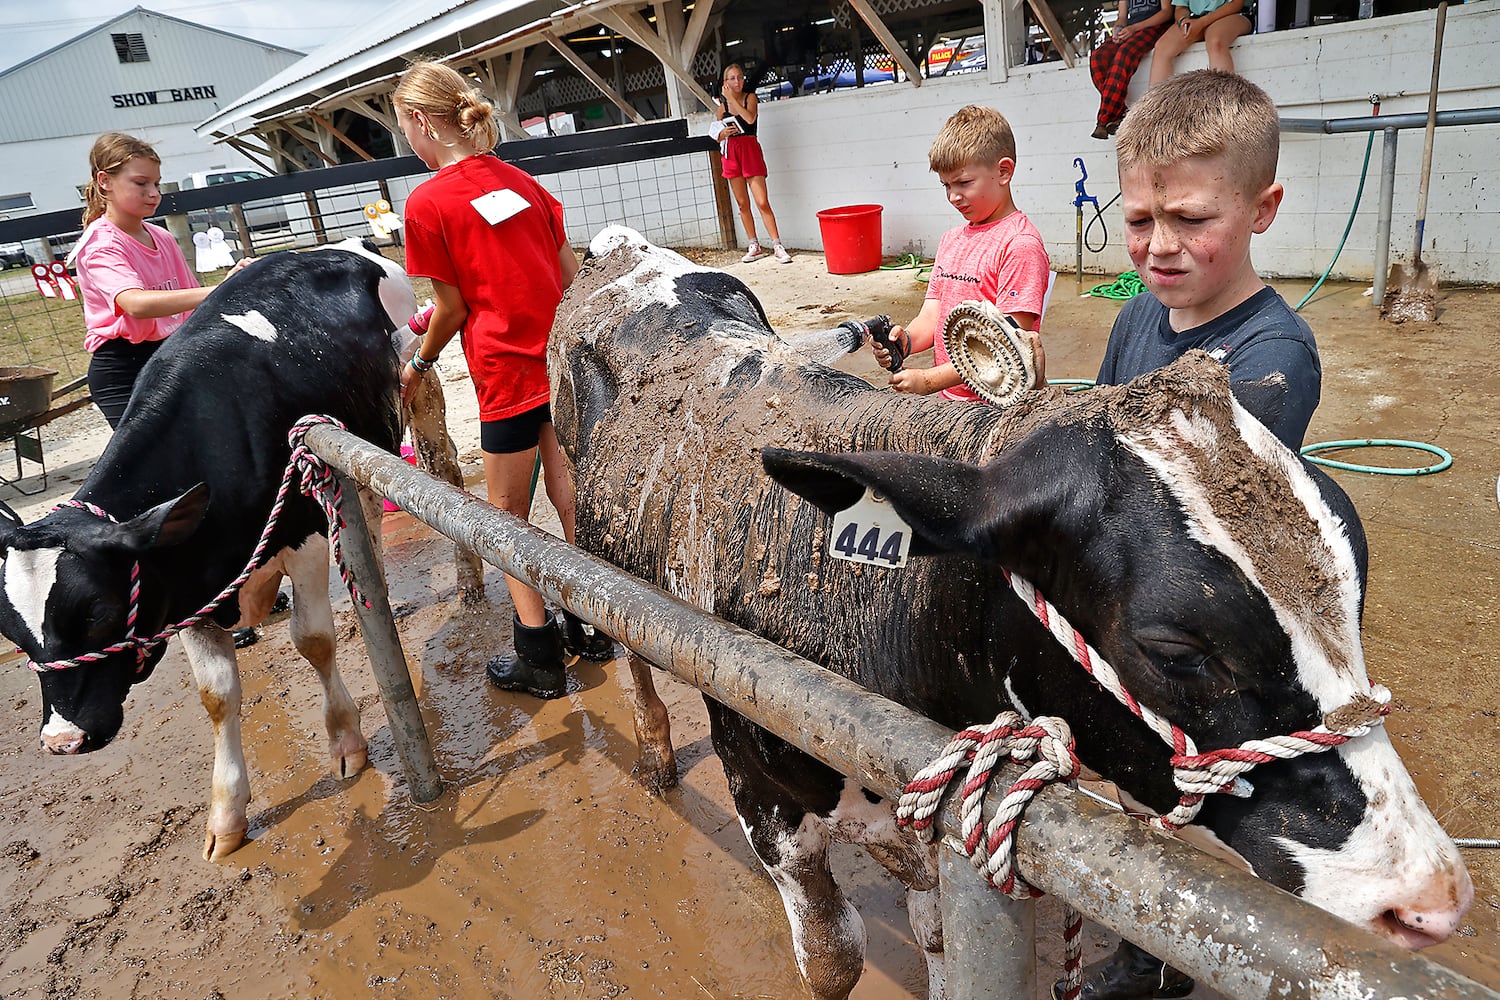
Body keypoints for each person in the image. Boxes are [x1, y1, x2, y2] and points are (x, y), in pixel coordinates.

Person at [1051, 70, 1317, 1000]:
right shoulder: (1137, 314)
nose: (1159, 247)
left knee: (1191, 806)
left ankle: (1155, 959)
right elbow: (1104, 435)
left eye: (1191, 219)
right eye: (1139, 221)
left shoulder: (1272, 357)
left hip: (1206, 626)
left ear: (1263, 207)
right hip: (1133, 599)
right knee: (1129, 784)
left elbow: (1191, 517)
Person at [393, 60, 613, 700]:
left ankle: (537, 652)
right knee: (574, 501)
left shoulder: (427, 202)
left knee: (507, 515)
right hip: (563, 366)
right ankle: (594, 624)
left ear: (419, 120)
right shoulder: (523, 183)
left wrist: (421, 360)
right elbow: (570, 278)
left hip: (504, 375)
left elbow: (454, 307)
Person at [871, 105, 1051, 401]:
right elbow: (932, 315)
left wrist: (929, 381)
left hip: (1000, 408)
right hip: (950, 404)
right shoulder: (951, 241)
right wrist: (906, 342)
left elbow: (1006, 346)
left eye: (964, 183)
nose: (954, 196)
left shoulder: (1020, 245)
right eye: (946, 185)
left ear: (1003, 171)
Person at [73, 132, 245, 431]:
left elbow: (191, 302)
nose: (154, 192)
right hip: (122, 369)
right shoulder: (101, 245)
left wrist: (230, 286)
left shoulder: (162, 237)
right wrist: (221, 290)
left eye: (156, 183)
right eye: (141, 183)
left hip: (170, 355)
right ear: (105, 182)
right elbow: (135, 304)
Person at [715, 62, 792, 264]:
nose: (737, 81)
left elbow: (749, 119)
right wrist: (722, 134)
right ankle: (754, 244)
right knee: (742, 203)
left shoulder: (750, 98)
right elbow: (716, 133)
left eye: (740, 77)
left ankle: (777, 244)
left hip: (749, 150)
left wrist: (732, 98)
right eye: (732, 78)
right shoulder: (721, 108)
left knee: (761, 201)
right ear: (725, 82)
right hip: (731, 152)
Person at [1089, 0, 1174, 139]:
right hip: (1132, 29)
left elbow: (1167, 12)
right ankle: (1121, 113)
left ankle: (1104, 120)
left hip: (1157, 26)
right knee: (1098, 57)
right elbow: (1122, 16)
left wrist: (1134, 28)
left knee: (1124, 54)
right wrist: (1118, 29)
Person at [1148, 0, 1252, 85]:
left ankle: (1223, 103)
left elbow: (1237, 4)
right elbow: (1181, 7)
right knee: (1162, 47)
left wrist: (1202, 22)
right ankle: (1156, 107)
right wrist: (1183, 21)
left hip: (1232, 15)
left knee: (1216, 42)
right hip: (1196, 20)